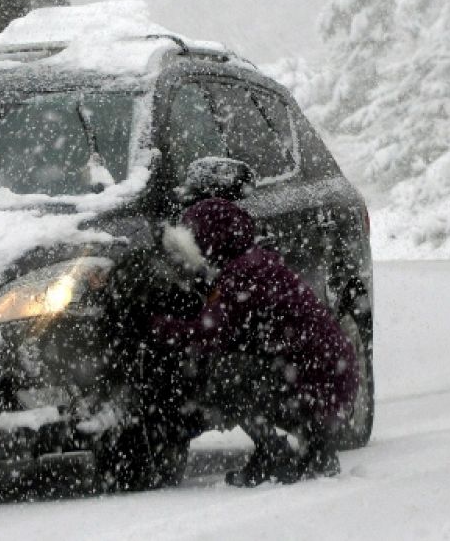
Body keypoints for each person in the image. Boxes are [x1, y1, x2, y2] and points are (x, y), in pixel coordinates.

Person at [153, 197, 358, 486]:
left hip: (318, 385)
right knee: (243, 366)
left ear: (211, 238)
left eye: (194, 238)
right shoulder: (257, 263)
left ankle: (275, 452)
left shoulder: (243, 275)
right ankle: (313, 449)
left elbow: (210, 335)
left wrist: (158, 327)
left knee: (226, 371)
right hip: (331, 381)